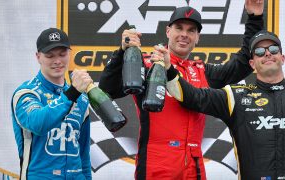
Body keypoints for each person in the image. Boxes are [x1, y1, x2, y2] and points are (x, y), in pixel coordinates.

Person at [159, 9, 285, 180]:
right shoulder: (234, 97)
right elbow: (190, 96)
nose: (267, 54)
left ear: (282, 57)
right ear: (252, 64)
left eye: (273, 49)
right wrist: (169, 69)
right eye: (260, 52)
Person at [98, 0, 264, 179]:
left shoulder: (203, 71)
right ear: (168, 31)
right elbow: (108, 89)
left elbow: (243, 64)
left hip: (194, 164)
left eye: (191, 30)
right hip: (157, 162)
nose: (184, 34)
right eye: (179, 28)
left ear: (198, 37)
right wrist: (122, 52)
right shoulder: (148, 64)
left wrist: (255, 17)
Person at [11, 28, 93, 180]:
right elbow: (38, 123)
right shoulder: (26, 93)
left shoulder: (81, 99)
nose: (57, 61)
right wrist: (71, 94)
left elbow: (84, 155)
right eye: (50, 55)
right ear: (38, 57)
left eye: (62, 54)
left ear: (70, 54)